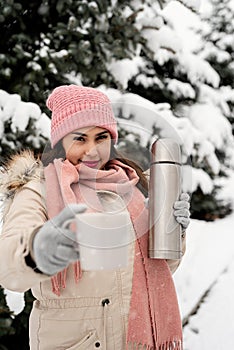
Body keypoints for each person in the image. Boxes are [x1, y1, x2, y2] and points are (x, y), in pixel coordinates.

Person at [0, 85, 190, 350]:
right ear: (60, 141)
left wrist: (173, 233)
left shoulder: (128, 187)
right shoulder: (40, 190)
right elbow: (8, 268)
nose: (92, 151)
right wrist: (38, 251)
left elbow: (155, 272)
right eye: (80, 138)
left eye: (100, 137)